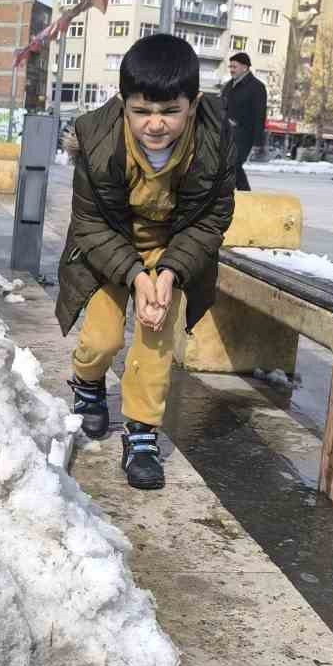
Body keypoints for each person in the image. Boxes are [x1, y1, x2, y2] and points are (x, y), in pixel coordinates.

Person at [58, 34, 235, 492]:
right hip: (109, 246)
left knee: (155, 339)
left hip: (172, 248)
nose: (155, 124)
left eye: (170, 111)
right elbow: (90, 224)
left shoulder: (214, 143)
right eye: (142, 111)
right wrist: (135, 275)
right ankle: (87, 384)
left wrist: (170, 273)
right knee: (102, 338)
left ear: (191, 105)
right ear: (123, 105)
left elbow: (213, 218)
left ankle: (141, 432)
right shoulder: (98, 142)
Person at [220, 50, 267, 192]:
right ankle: (233, 194)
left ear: (245, 67)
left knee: (233, 163)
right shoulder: (228, 86)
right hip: (226, 134)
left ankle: (244, 192)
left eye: (234, 67)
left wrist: (258, 142)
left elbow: (260, 115)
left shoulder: (257, 87)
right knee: (226, 165)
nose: (231, 70)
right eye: (230, 67)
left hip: (244, 135)